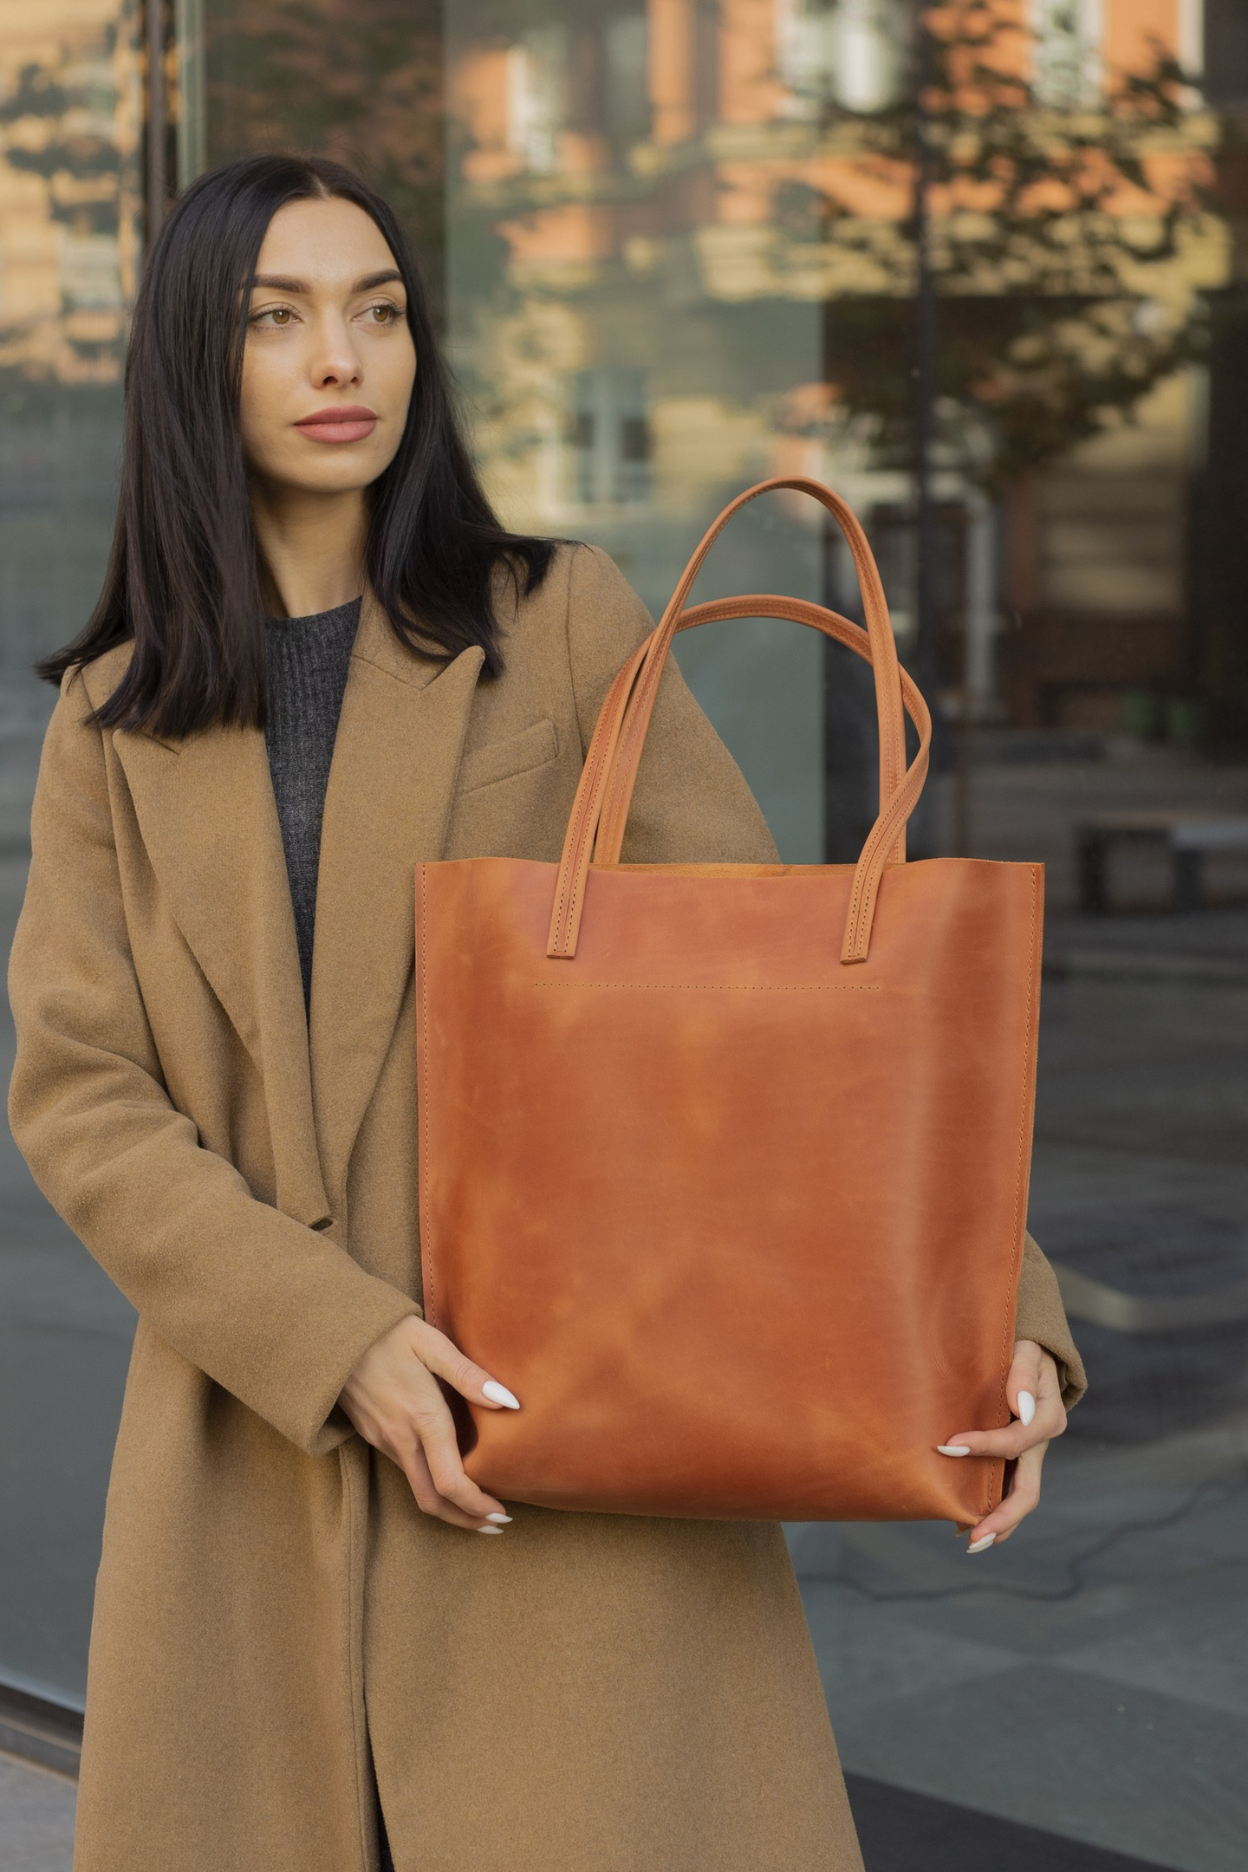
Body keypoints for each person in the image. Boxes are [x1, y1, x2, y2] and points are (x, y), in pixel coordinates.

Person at [8, 154, 1085, 1872]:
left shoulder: (555, 619)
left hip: (567, 1462)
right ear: (188, 369)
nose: (339, 358)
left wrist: (994, 1311)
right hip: (251, 1463)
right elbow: (80, 1096)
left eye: (375, 312)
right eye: (274, 320)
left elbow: (776, 1011)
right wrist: (331, 1335)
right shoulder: (112, 725)